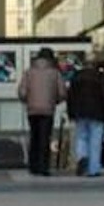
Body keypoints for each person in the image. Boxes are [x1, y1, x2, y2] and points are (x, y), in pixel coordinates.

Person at [17, 47, 65, 176]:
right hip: (48, 110)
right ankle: (43, 167)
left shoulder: (28, 72)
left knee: (35, 136)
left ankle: (33, 166)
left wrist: (27, 100)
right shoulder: (55, 73)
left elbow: (22, 92)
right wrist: (55, 101)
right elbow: (62, 93)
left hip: (32, 110)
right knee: (45, 138)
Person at [66, 62, 104, 177]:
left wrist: (71, 113)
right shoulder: (100, 78)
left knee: (81, 138)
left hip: (80, 113)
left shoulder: (75, 78)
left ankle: (83, 158)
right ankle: (94, 168)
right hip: (98, 113)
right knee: (95, 141)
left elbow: (70, 97)